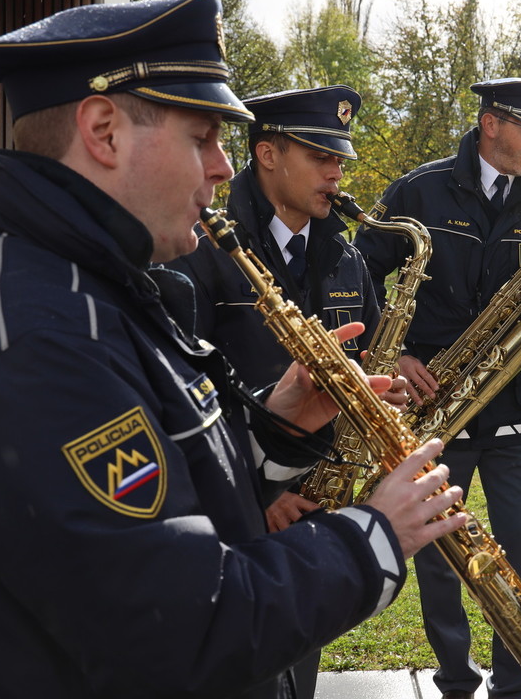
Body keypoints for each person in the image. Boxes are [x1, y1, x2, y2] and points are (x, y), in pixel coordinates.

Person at [0, 0, 465, 699]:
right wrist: (376, 538)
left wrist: (276, 429)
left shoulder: (84, 282)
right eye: (202, 137)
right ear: (104, 131)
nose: (223, 167)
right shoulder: (39, 344)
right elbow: (184, 630)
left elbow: (164, 493)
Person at [168, 84, 394, 698]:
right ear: (267, 155)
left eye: (341, 159)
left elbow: (368, 353)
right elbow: (183, 389)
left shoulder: (346, 258)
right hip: (234, 507)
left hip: (317, 501)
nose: (336, 173)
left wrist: (383, 393)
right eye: (321, 156)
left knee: (296, 670)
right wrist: (258, 493)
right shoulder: (202, 248)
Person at [354, 77, 521, 699]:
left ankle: (517, 684)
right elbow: (357, 269)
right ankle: (454, 677)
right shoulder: (419, 190)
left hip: (513, 412)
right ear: (491, 124)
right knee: (439, 555)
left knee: (517, 557)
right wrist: (393, 353)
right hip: (433, 409)